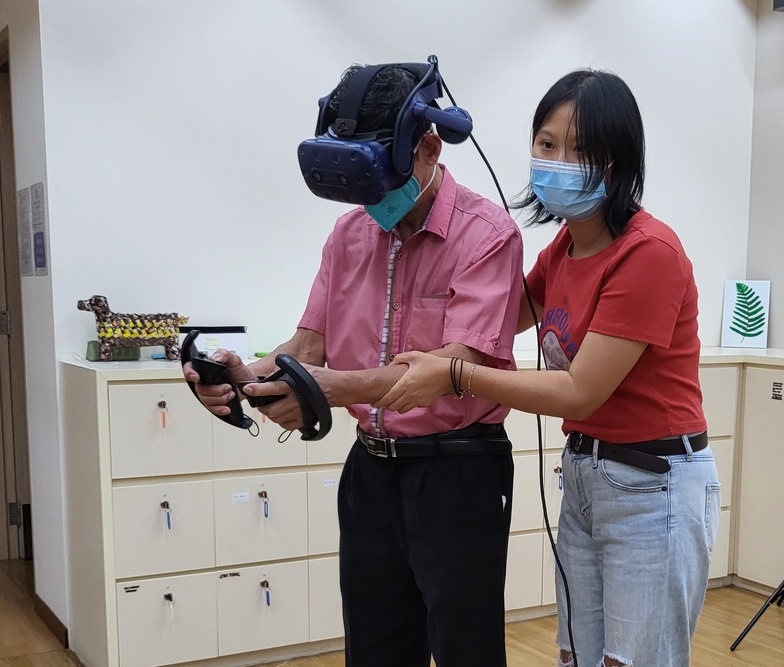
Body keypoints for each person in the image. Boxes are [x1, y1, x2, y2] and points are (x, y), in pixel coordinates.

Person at [183, 61, 524, 667]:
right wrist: (245, 376)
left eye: (382, 181)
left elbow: (452, 369)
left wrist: (330, 389)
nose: (373, 202)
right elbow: (308, 345)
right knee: (374, 649)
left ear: (429, 148)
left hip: (458, 473)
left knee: (466, 650)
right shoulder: (349, 234)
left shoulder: (487, 235)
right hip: (370, 472)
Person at [376, 69, 719, 667]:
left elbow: (579, 391)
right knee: (577, 655)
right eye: (547, 143)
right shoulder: (564, 247)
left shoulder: (649, 254)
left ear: (619, 159)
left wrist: (455, 376)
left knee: (635, 660)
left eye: (581, 149)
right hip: (585, 474)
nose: (558, 162)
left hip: (652, 485)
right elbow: (495, 318)